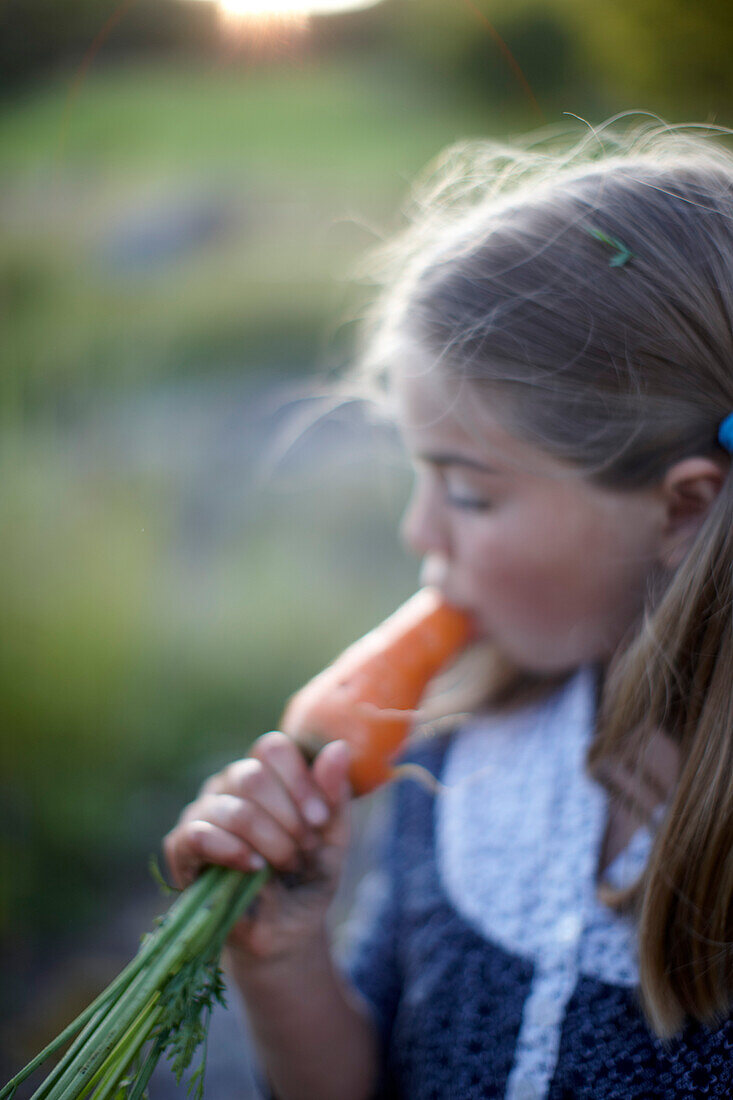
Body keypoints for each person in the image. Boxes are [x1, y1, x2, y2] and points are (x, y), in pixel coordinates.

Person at [163, 120, 733, 1098]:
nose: (418, 530)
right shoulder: (453, 748)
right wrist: (284, 955)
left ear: (680, 507)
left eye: (467, 490)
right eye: (417, 476)